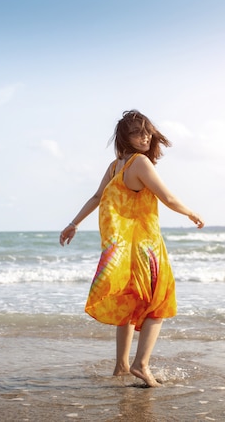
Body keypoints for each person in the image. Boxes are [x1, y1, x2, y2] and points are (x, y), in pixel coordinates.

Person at [59, 110, 204, 388]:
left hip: (122, 250)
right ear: (126, 137)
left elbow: (97, 197)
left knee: (128, 306)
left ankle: (122, 366)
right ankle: (141, 365)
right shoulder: (139, 163)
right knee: (158, 305)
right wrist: (191, 213)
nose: (146, 136)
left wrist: (73, 223)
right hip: (146, 247)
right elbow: (168, 198)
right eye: (139, 132)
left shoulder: (116, 166)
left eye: (148, 131)